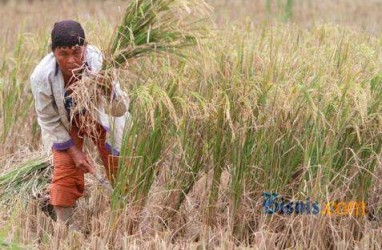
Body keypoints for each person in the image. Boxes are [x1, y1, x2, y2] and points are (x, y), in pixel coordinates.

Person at [30, 20, 130, 224]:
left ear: (85, 47)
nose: (71, 60)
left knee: (117, 163)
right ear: (53, 53)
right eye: (63, 54)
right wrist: (74, 151)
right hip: (64, 124)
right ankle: (63, 228)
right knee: (65, 168)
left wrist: (109, 88)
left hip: (97, 116)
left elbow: (120, 110)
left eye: (77, 52)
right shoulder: (41, 76)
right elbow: (48, 118)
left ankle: (126, 211)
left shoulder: (99, 63)